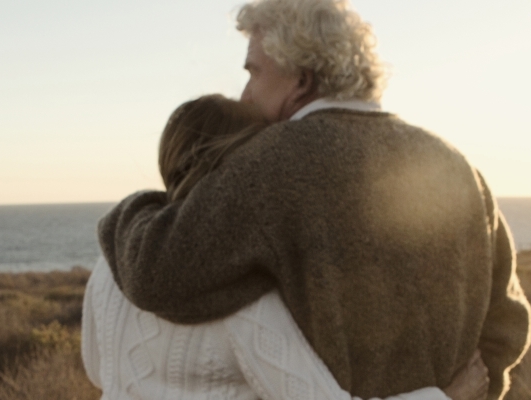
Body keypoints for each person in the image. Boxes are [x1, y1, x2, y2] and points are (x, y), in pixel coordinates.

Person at [98, 0, 531, 399]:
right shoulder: (457, 167)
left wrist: (133, 209)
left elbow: (157, 273)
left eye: (254, 72)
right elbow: (508, 323)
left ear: (301, 80)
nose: (246, 94)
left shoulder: (271, 164)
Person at [82, 94, 490, 400]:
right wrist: (444, 397)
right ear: (239, 170)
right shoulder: (236, 295)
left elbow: (97, 369)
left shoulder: (110, 263)